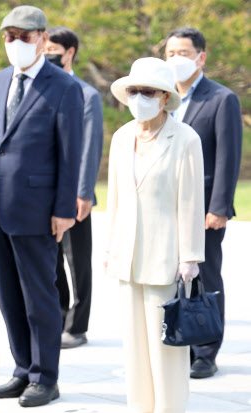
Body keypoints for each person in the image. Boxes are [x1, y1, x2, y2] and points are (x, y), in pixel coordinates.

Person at [0, 6, 83, 408]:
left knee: (40, 296)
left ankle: (45, 376)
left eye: (24, 36)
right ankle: (22, 369)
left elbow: (69, 155)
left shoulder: (63, 87)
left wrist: (64, 209)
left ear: (42, 38)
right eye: (9, 36)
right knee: (8, 295)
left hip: (39, 209)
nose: (15, 43)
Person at [106, 57, 205, 413]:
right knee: (134, 347)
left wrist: (191, 256)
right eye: (133, 91)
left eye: (147, 92)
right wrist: (109, 247)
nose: (138, 98)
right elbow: (115, 198)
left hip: (167, 258)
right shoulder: (121, 137)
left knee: (166, 349)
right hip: (128, 257)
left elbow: (192, 201)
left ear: (164, 97)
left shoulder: (186, 139)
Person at [165, 26, 243, 379]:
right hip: (167, 207)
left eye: (183, 52)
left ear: (201, 57)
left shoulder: (221, 98)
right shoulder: (163, 98)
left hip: (205, 208)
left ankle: (207, 351)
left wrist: (220, 206)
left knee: (206, 278)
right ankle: (180, 337)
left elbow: (228, 156)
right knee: (173, 276)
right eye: (170, 53)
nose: (176, 59)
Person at [44, 26, 103, 349]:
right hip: (44, 194)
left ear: (70, 52)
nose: (47, 52)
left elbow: (89, 148)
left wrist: (83, 192)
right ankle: (60, 315)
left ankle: (78, 326)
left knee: (77, 261)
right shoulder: (44, 89)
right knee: (51, 260)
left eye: (54, 47)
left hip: (75, 195)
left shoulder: (87, 94)